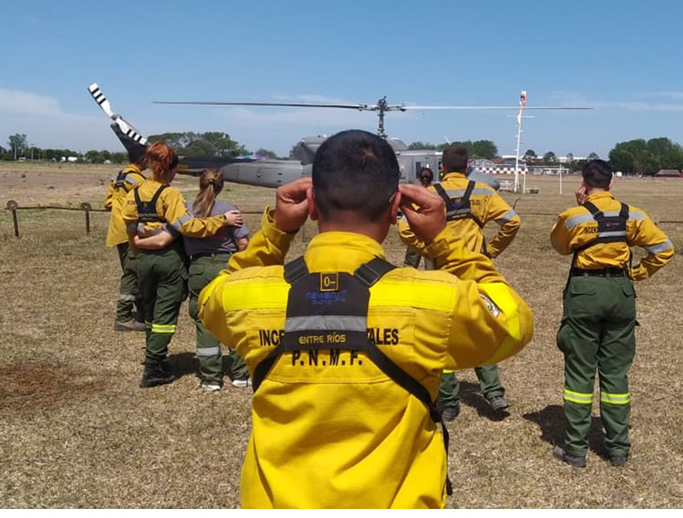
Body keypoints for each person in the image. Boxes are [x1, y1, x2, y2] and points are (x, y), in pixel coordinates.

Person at [198, 129, 534, 509]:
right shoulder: (434, 299)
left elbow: (210, 300)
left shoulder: (246, 296)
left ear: (311, 203)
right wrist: (446, 241)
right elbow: (514, 322)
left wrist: (276, 233)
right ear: (395, 209)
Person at [549, 159, 674, 468]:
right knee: (616, 374)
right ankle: (618, 447)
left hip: (584, 293)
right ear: (611, 184)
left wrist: (580, 207)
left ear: (583, 183)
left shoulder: (573, 216)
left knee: (579, 372)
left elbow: (559, 246)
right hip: (620, 291)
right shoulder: (633, 215)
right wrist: (637, 273)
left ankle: (576, 449)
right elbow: (664, 248)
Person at [398, 144, 522, 420]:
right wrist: (490, 253)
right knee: (485, 326)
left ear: (442, 168)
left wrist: (430, 249)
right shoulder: (484, 192)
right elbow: (512, 222)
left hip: (440, 274)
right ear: (468, 168)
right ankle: (494, 393)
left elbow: (405, 228)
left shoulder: (430, 195)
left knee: (442, 335)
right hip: (474, 272)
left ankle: (449, 401)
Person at [121, 142, 244, 388]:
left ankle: (156, 357)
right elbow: (187, 227)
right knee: (165, 317)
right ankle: (153, 365)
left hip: (141, 259)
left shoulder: (134, 192)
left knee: (149, 311)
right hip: (169, 260)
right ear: (168, 169)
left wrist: (137, 249)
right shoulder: (170, 195)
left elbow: (129, 225)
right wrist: (221, 221)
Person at [103, 152, 149, 331]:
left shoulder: (120, 176)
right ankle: (123, 316)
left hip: (117, 231)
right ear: (143, 159)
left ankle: (142, 313)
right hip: (131, 232)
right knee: (132, 274)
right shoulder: (138, 180)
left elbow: (108, 203)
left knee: (134, 272)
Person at [403, 165, 435, 269]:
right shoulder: (437, 192)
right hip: (432, 232)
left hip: (416, 230)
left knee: (410, 263)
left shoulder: (414, 192)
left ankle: (407, 282)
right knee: (431, 264)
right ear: (432, 178)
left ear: (419, 178)